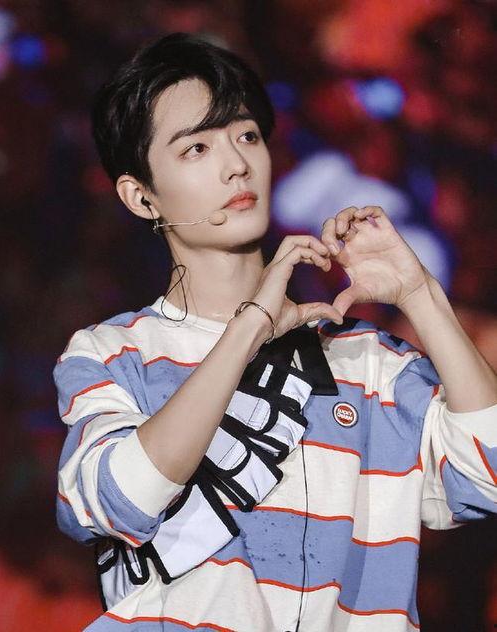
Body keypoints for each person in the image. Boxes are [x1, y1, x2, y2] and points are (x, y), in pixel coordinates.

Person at [53, 32, 497, 632]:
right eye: (196, 148)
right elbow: (114, 502)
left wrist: (420, 293)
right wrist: (252, 326)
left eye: (246, 136)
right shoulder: (114, 354)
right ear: (141, 197)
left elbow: (487, 478)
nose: (236, 164)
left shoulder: (367, 362)